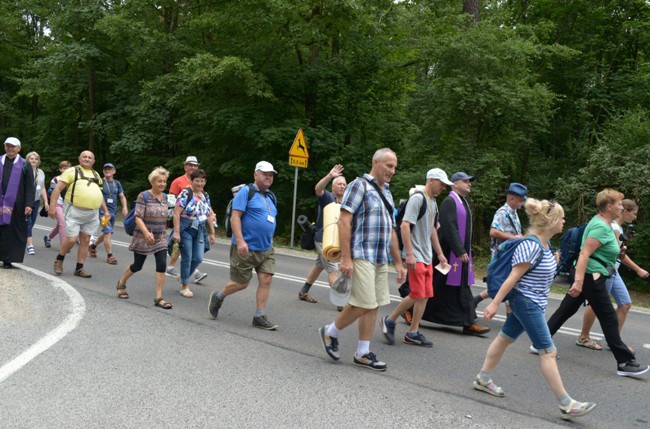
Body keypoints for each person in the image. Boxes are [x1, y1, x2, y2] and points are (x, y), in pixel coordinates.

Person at [473, 199, 598, 421]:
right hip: (526, 302)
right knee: (548, 352)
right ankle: (566, 404)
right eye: (561, 217)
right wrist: (494, 303)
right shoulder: (531, 245)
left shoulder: (545, 245)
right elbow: (513, 277)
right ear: (550, 222)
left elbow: (538, 272)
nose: (564, 221)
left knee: (504, 339)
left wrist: (553, 260)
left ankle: (483, 379)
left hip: (533, 302)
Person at [544, 189, 649, 377]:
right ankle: (625, 362)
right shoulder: (601, 226)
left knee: (566, 309)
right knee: (608, 317)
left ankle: (541, 343)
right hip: (591, 276)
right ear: (609, 207)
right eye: (619, 204)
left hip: (590, 274)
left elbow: (606, 251)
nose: (621, 207)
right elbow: (585, 253)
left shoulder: (605, 224)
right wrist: (578, 282)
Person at [318, 148, 406, 371]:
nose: (392, 171)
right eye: (388, 166)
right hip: (361, 254)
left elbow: (391, 230)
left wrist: (398, 262)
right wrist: (346, 258)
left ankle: (363, 352)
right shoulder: (359, 185)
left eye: (394, 167)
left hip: (379, 257)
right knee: (363, 302)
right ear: (376, 162)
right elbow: (343, 221)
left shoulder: (387, 192)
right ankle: (330, 332)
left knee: (373, 305)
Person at [379, 168, 451, 348]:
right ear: (432, 180)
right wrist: (409, 254)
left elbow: (432, 229)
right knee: (417, 293)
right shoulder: (418, 198)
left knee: (425, 295)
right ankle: (389, 320)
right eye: (442, 184)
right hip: (415, 255)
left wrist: (440, 254)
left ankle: (412, 332)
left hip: (426, 255)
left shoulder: (433, 202)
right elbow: (404, 226)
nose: (443, 188)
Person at [208, 161, 279, 329]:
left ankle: (259, 316)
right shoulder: (246, 192)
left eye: (271, 175)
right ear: (256, 174)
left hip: (266, 247)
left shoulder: (271, 196)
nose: (269, 177)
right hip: (246, 247)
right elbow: (235, 217)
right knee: (241, 283)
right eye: (265, 174)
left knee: (266, 279)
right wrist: (240, 240)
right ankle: (219, 296)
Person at [421, 172, 490, 335]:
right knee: (439, 285)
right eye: (465, 181)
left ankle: (467, 322)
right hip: (448, 252)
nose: (469, 184)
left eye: (469, 181)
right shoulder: (450, 201)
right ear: (455, 184)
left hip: (457, 252)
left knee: (454, 288)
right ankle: (411, 309)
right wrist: (459, 250)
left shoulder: (462, 201)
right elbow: (450, 227)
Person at [576, 199, 649, 351]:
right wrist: (638, 269)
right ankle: (583, 337)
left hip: (613, 271)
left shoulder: (619, 229)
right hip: (605, 270)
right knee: (597, 305)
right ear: (625, 211)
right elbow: (620, 256)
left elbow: (618, 253)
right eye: (633, 213)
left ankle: (613, 341)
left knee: (625, 304)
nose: (635, 217)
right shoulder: (614, 228)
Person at [116, 167, 173, 309]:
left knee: (161, 265)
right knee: (137, 265)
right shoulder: (144, 196)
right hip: (143, 237)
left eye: (164, 181)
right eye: (159, 181)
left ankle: (159, 297)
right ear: (152, 181)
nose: (162, 184)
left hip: (160, 237)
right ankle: (122, 282)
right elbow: (138, 216)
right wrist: (146, 232)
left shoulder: (165, 197)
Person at [49, 150, 109, 277]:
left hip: (92, 213)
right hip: (74, 211)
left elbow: (100, 194)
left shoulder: (96, 174)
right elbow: (58, 188)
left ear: (94, 161)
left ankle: (79, 268)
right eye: (84, 157)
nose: (87, 159)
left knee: (86, 240)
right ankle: (59, 259)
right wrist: (52, 206)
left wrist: (106, 210)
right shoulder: (72, 171)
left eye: (90, 157)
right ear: (79, 159)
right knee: (71, 239)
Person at [297, 164, 348, 308]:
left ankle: (303, 291)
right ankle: (341, 302)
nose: (342, 186)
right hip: (323, 239)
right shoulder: (328, 198)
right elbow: (318, 189)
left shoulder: (345, 203)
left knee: (320, 264)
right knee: (333, 269)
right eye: (339, 184)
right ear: (333, 187)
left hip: (335, 240)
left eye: (344, 184)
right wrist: (330, 176)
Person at [474, 182, 527, 307]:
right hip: (502, 255)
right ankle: (509, 322)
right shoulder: (502, 212)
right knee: (507, 284)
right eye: (520, 200)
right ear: (511, 198)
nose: (522, 204)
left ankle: (475, 300)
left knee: (505, 284)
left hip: (509, 253)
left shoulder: (514, 212)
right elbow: (493, 231)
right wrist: (513, 238)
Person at [172, 169, 216, 298]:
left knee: (198, 257)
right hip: (186, 227)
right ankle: (184, 286)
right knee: (187, 257)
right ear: (192, 181)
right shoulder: (186, 193)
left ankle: (183, 276)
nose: (200, 183)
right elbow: (176, 213)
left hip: (200, 229)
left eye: (202, 181)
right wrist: (176, 232)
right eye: (197, 180)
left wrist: (212, 232)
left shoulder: (205, 195)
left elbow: (208, 214)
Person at [166, 155, 208, 284]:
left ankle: (172, 267)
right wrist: (173, 221)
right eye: (190, 165)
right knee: (182, 248)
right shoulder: (178, 181)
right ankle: (190, 274)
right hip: (182, 220)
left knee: (183, 250)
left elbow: (202, 203)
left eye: (195, 165)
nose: (192, 167)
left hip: (196, 223)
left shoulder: (198, 181)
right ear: (185, 166)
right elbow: (171, 201)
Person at [0, 137, 35, 268]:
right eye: (8, 146)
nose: (10, 148)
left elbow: (30, 186)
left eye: (13, 146)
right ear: (4, 147)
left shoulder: (25, 164)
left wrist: (28, 204)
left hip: (17, 205)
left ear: (19, 148)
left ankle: (7, 259)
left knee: (11, 231)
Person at [88, 163, 128, 264]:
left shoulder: (117, 183)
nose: (107, 171)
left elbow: (122, 196)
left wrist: (125, 207)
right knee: (108, 232)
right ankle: (110, 256)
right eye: (105, 169)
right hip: (102, 212)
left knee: (106, 232)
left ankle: (93, 246)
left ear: (114, 171)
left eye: (109, 169)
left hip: (113, 212)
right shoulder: (100, 182)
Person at [24, 151, 48, 255]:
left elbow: (42, 187)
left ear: (38, 161)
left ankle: (22, 240)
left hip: (36, 201)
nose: (34, 160)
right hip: (26, 201)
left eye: (35, 159)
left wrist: (46, 201)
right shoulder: (24, 171)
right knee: (28, 222)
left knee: (32, 222)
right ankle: (30, 245)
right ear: (27, 160)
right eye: (31, 158)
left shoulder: (41, 172)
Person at [44, 161, 71, 248]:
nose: (66, 170)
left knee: (60, 224)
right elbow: (51, 193)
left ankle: (48, 237)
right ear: (60, 169)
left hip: (67, 205)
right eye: (64, 168)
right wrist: (51, 205)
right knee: (62, 224)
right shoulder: (56, 179)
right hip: (57, 204)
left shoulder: (72, 179)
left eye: (68, 168)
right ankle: (64, 245)